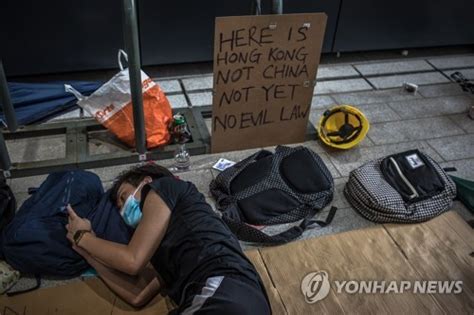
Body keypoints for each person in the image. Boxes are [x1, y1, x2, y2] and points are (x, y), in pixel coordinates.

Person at [65, 163, 271, 314]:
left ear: (146, 181)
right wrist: (87, 253)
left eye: (123, 197)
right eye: (119, 208)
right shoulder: (163, 246)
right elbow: (138, 296)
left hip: (223, 290)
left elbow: (132, 261)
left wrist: (82, 235)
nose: (123, 211)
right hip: (243, 299)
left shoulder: (164, 188)